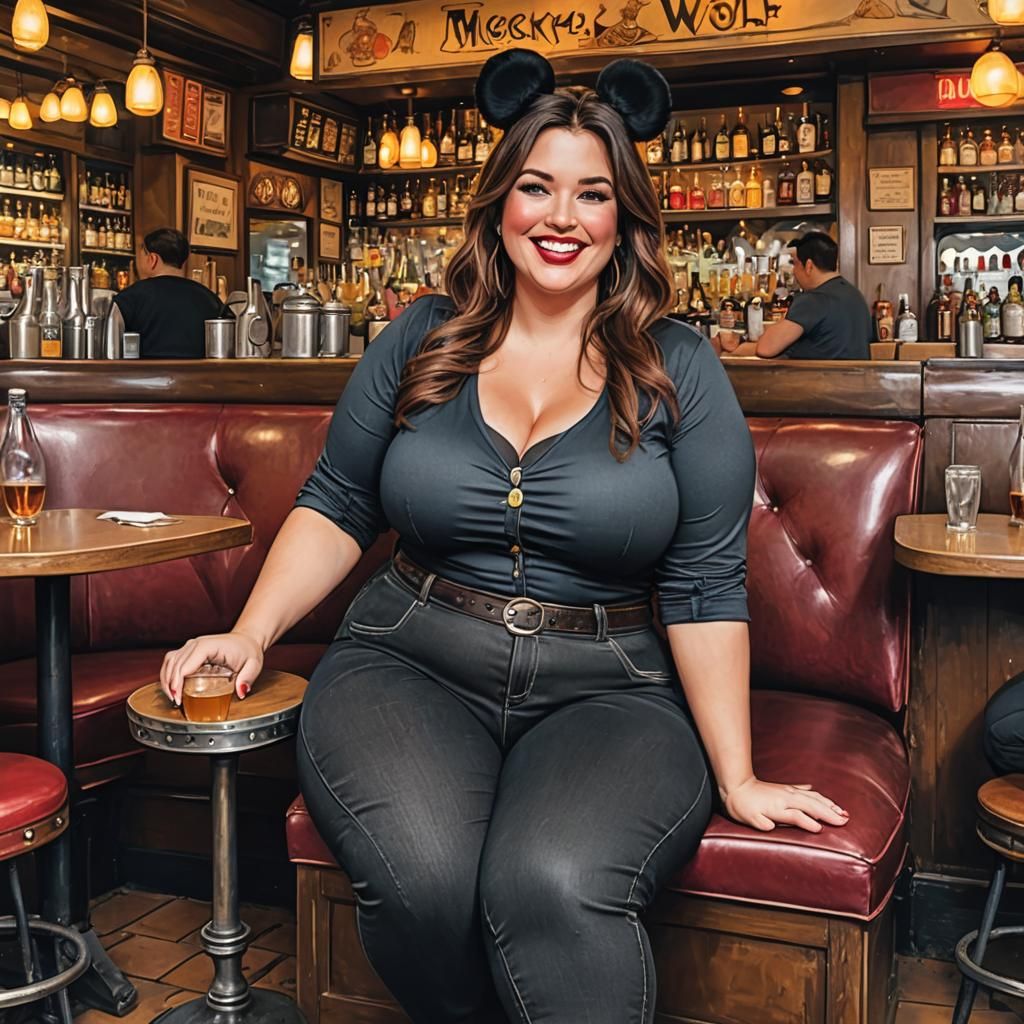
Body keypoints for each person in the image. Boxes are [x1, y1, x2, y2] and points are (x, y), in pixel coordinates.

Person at [160, 49, 848, 1024]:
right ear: (498, 203)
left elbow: (703, 584)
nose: (560, 217)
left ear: (624, 218)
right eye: (536, 187)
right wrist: (253, 632)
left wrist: (735, 773)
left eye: (591, 193)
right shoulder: (421, 336)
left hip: (607, 682)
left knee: (552, 883)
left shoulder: (677, 367)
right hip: (407, 659)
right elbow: (337, 499)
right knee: (425, 882)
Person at [752, 231, 872, 360]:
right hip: (854, 379)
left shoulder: (814, 300)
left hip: (819, 379)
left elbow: (765, 349)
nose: (793, 271)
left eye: (795, 263)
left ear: (809, 266)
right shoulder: (855, 295)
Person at [108, 227, 224, 358]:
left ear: (152, 259)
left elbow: (112, 355)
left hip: (143, 377)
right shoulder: (210, 299)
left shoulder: (128, 299)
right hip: (203, 378)